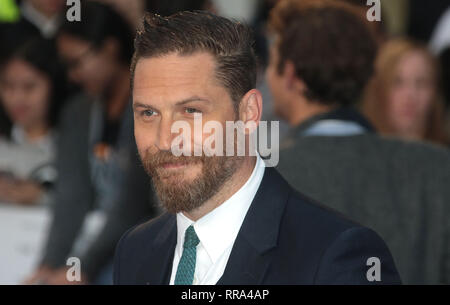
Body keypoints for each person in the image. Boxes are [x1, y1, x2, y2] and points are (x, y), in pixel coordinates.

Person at [113, 10, 401, 285]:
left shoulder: (336, 256)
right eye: (148, 113)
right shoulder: (135, 250)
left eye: (190, 111)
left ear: (249, 113)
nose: (165, 140)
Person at [268, 0, 450, 284]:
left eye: (271, 64)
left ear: (291, 76)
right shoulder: (438, 168)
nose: (267, 76)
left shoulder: (260, 180)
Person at [25, 2, 157, 285]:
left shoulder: (152, 109)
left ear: (109, 49)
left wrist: (83, 269)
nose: (71, 75)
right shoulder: (78, 111)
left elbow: (131, 204)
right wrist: (50, 264)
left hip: (146, 244)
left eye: (76, 63)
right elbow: (72, 195)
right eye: (66, 65)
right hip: (95, 243)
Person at [0, 37, 65, 206]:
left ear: (54, 86)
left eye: (29, 87)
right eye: (8, 86)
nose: (17, 98)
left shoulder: (73, 143)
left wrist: (44, 195)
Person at [363, 38, 449, 146]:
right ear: (379, 90)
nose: (410, 95)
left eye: (421, 83)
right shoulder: (358, 153)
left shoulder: (445, 155)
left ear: (435, 92)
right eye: (397, 82)